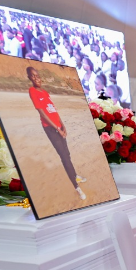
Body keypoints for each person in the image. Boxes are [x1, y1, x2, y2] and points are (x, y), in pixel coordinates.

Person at [26, 67, 86, 201]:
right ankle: (76, 187)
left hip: (58, 126)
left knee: (67, 153)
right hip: (50, 128)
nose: (36, 78)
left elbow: (53, 110)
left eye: (38, 75)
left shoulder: (45, 92)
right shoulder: (32, 91)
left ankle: (75, 175)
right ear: (30, 78)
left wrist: (62, 124)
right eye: (33, 76)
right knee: (64, 156)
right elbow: (42, 112)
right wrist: (57, 129)